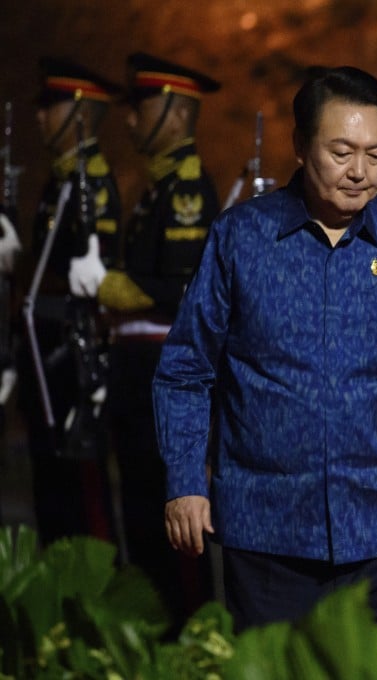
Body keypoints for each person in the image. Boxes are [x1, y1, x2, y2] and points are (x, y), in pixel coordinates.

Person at [152, 65, 377, 632]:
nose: (360, 172)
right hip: (268, 530)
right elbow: (186, 371)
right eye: (341, 152)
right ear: (299, 146)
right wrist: (186, 482)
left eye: (376, 153)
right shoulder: (241, 237)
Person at [84, 51, 221, 628]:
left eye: (141, 107)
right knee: (141, 513)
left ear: (173, 111)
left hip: (165, 365)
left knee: (173, 523)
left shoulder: (187, 188)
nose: (132, 121)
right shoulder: (153, 189)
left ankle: (190, 634)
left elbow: (186, 284)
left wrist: (121, 288)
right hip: (137, 369)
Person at [15, 57, 122, 545]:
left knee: (82, 491)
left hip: (73, 349)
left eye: (51, 107)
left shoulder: (90, 183)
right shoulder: (59, 181)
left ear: (79, 115)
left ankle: (93, 593)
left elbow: (89, 277)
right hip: (45, 349)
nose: (41, 117)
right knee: (51, 484)